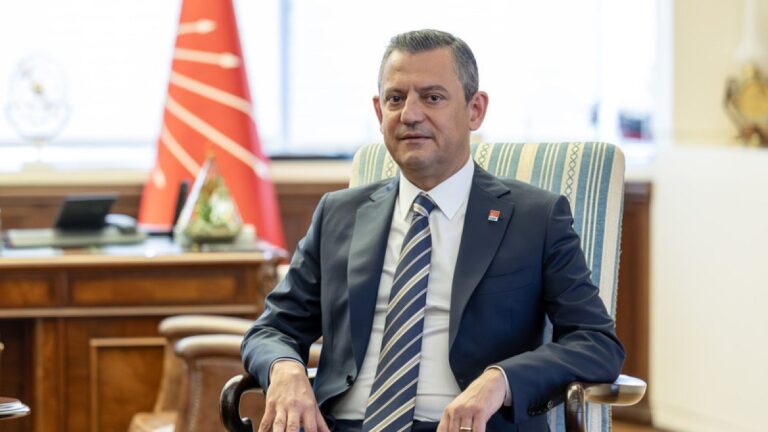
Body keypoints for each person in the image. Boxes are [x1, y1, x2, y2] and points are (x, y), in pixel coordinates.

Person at [241, 29, 624, 432]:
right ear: (379, 112)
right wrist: (284, 369)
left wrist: (500, 381)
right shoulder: (339, 214)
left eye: (432, 97)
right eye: (395, 98)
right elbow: (272, 329)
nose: (410, 114)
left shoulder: (535, 218)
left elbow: (596, 342)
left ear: (475, 110)